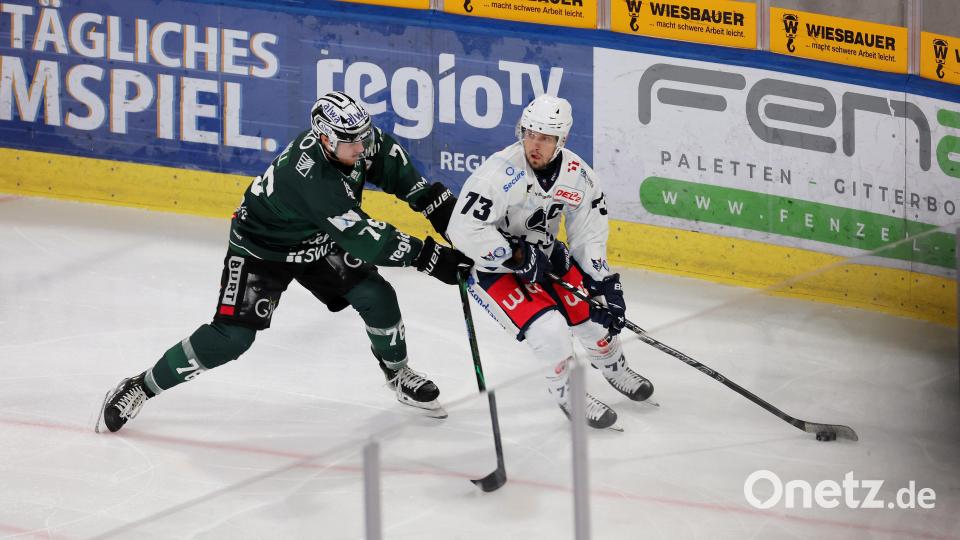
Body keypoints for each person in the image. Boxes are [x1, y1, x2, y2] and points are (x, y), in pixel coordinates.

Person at [96, 91, 471, 433]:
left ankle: (397, 373)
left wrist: (440, 210)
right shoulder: (308, 177)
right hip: (262, 249)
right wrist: (431, 257)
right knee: (232, 338)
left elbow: (403, 177)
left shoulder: (358, 141)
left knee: (376, 295)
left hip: (318, 237)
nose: (361, 147)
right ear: (325, 139)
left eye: (363, 137)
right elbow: (367, 238)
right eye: (350, 142)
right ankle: (141, 387)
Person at [446, 94, 653, 429]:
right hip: (494, 270)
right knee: (550, 329)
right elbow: (463, 227)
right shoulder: (498, 174)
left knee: (596, 315)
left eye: (544, 137)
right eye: (529, 133)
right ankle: (568, 392)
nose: (534, 144)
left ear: (562, 140)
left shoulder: (578, 176)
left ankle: (615, 367)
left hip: (544, 255)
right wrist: (513, 255)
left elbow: (588, 232)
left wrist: (602, 280)